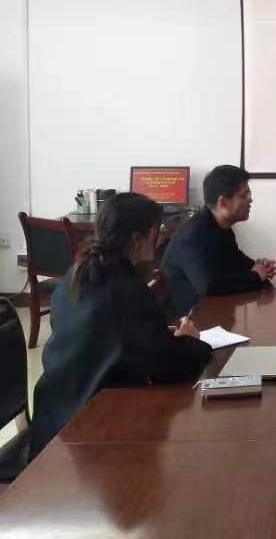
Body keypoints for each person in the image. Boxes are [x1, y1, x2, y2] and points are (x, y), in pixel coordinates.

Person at [30, 193, 211, 459]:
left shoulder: (75, 277)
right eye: (157, 229)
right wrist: (191, 340)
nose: (161, 236)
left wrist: (154, 336)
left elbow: (104, 338)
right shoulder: (128, 290)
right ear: (138, 239)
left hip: (52, 421)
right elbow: (169, 367)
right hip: (94, 433)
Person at [161, 165, 276, 318]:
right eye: (244, 195)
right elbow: (208, 286)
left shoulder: (221, 227)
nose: (250, 199)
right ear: (223, 202)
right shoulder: (192, 236)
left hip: (215, 313)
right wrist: (256, 276)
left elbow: (236, 259)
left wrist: (260, 267)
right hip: (189, 322)